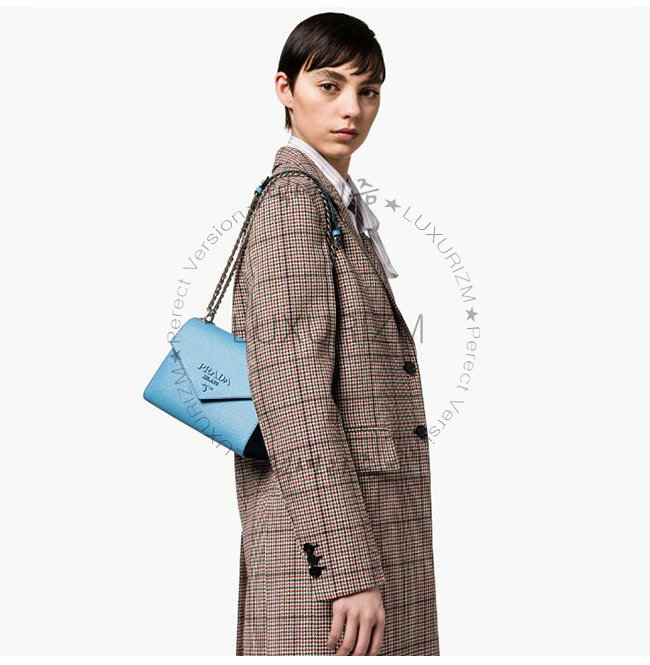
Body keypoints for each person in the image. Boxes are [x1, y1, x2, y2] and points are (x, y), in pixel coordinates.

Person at [230, 11, 440, 656]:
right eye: (330, 86)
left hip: (364, 540)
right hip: (329, 567)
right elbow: (292, 396)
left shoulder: (333, 203)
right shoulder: (296, 204)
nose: (352, 108)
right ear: (285, 89)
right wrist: (347, 568)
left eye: (368, 90)